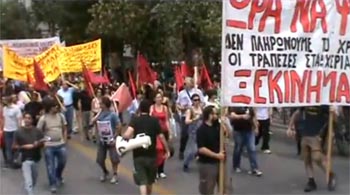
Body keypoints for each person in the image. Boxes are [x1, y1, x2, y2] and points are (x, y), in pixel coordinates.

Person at [123, 100, 170, 195]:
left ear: (140, 109)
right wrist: (167, 150)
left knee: (142, 182)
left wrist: (124, 137)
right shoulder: (154, 120)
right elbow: (161, 137)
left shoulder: (135, 120)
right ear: (149, 109)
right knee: (150, 181)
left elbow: (127, 135)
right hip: (152, 155)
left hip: (138, 155)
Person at [287, 106, 337, 192]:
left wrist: (334, 112)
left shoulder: (325, 102)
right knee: (307, 159)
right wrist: (290, 127)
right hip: (305, 133)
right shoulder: (307, 100)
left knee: (316, 157)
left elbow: (334, 119)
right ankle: (311, 181)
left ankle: (330, 174)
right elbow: (297, 113)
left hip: (317, 135)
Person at [37, 99, 67, 193]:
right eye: (54, 106)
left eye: (57, 106)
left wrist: (64, 139)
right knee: (50, 166)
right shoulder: (43, 118)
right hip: (49, 146)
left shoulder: (61, 116)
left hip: (60, 144)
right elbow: (38, 131)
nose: (56, 108)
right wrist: (43, 140)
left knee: (62, 162)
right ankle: (52, 183)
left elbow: (65, 128)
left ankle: (58, 175)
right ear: (50, 108)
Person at [196, 106, 225, 195]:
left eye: (217, 114)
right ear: (208, 115)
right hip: (208, 164)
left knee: (225, 187)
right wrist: (216, 155)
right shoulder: (201, 130)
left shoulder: (218, 126)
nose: (216, 116)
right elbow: (201, 149)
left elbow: (228, 134)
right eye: (214, 114)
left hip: (221, 162)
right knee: (208, 189)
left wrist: (225, 122)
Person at [91, 96, 121, 184]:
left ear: (105, 105)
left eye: (101, 104)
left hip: (111, 140)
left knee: (114, 158)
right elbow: (92, 122)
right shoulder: (99, 113)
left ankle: (115, 174)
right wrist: (98, 115)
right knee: (100, 159)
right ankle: (105, 171)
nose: (99, 105)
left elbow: (119, 126)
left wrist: (114, 137)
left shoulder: (112, 115)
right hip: (102, 140)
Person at [13, 113, 45, 195]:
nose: (27, 120)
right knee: (29, 181)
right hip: (25, 159)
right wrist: (24, 146)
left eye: (29, 118)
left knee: (34, 179)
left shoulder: (37, 131)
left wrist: (37, 144)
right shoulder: (18, 132)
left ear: (32, 120)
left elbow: (43, 143)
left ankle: (28, 190)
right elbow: (14, 146)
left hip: (36, 159)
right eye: (25, 118)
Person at [229, 107, 263, 176]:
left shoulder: (250, 105)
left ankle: (254, 168)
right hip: (238, 130)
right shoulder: (235, 104)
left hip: (249, 130)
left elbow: (253, 116)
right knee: (238, 148)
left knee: (252, 148)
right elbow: (232, 115)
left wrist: (256, 127)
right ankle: (236, 166)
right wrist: (242, 116)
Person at [176, 77, 204, 160]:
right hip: (185, 115)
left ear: (191, 83)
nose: (184, 84)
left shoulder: (198, 92)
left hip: (196, 115)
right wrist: (181, 107)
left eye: (186, 83)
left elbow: (202, 103)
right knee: (184, 134)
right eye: (184, 83)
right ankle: (182, 150)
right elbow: (177, 104)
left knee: (197, 135)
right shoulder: (181, 93)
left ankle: (197, 152)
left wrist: (196, 107)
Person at [150, 92, 171, 178]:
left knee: (163, 151)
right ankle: (154, 170)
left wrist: (170, 132)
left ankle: (161, 170)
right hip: (155, 132)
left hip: (163, 131)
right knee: (156, 151)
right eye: (157, 97)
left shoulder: (165, 108)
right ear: (154, 99)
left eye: (160, 97)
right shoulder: (152, 108)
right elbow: (150, 118)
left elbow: (166, 120)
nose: (159, 99)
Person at [183, 94, 203, 172]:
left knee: (201, 148)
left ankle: (202, 163)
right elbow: (186, 121)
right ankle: (186, 163)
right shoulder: (190, 110)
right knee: (193, 150)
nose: (197, 101)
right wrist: (194, 119)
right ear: (192, 101)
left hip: (201, 131)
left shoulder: (201, 109)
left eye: (198, 100)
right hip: (193, 132)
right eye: (195, 100)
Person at [2, 95, 22, 168]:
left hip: (15, 130)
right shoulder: (4, 108)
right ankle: (10, 162)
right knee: (8, 147)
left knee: (16, 146)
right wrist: (2, 128)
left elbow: (19, 119)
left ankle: (14, 159)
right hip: (7, 130)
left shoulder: (16, 108)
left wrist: (20, 129)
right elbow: (4, 119)